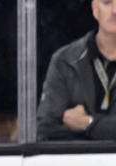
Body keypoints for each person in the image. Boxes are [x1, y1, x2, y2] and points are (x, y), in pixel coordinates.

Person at [36, 0, 116, 141]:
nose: (115, 11)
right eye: (107, 3)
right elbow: (46, 130)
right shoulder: (65, 60)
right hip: (74, 162)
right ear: (95, 9)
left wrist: (87, 123)